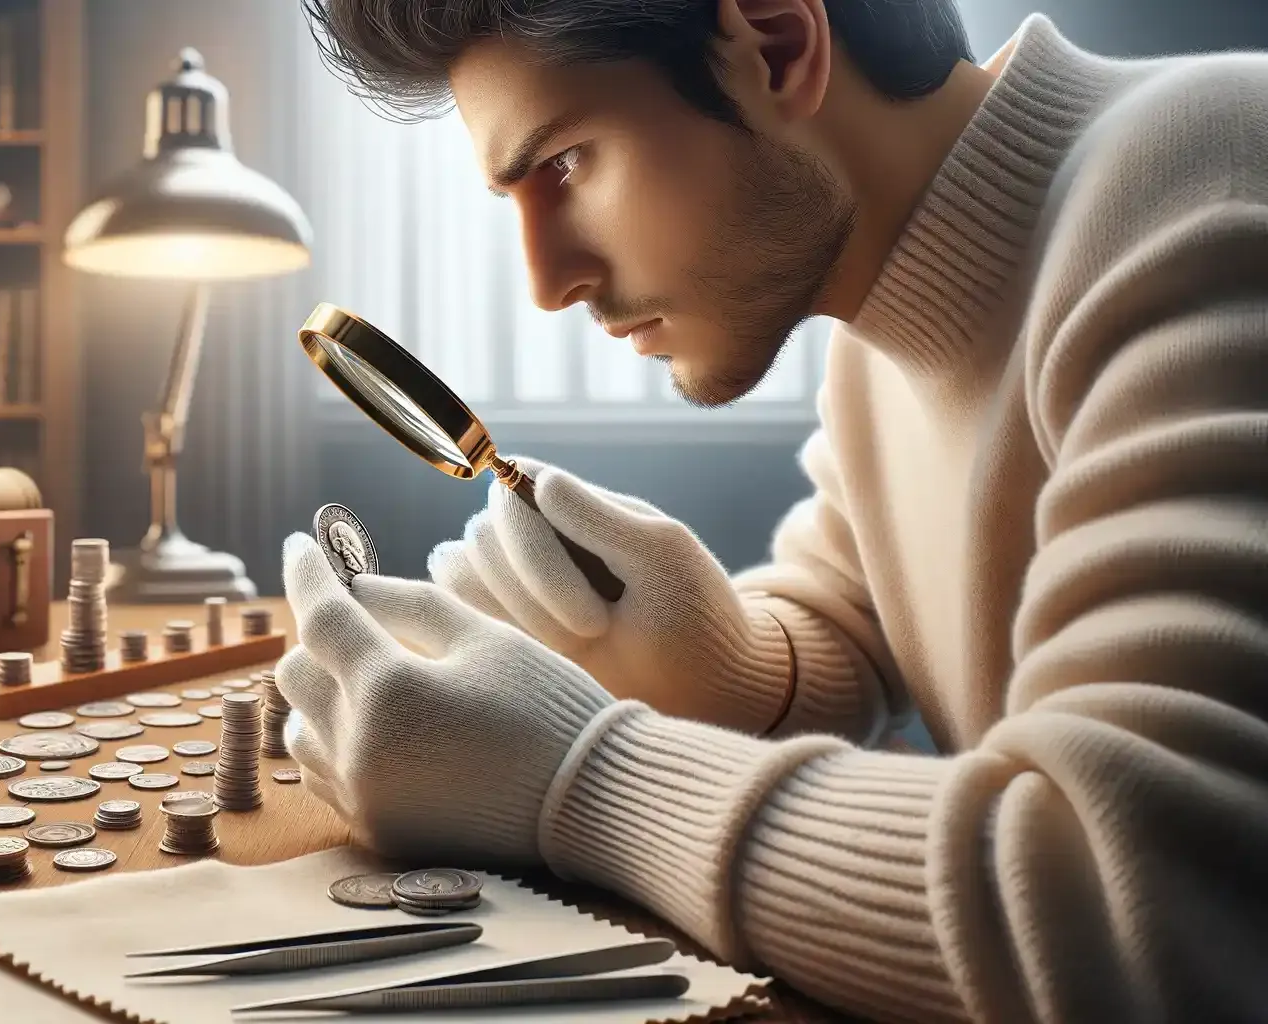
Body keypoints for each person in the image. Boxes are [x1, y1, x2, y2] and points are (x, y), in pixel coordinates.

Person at [272, 2, 1268, 1023]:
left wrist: (580, 777)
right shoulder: (884, 327)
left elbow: (1141, 905)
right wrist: (737, 666)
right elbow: (860, 624)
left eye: (565, 163)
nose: (547, 282)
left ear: (779, 49)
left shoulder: (1209, 181)